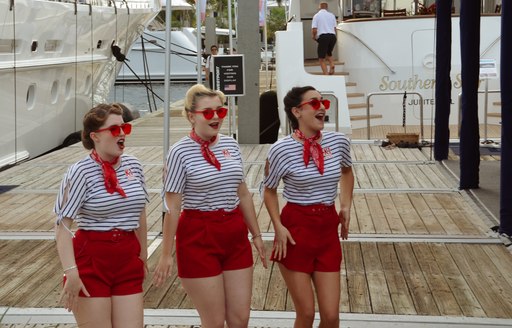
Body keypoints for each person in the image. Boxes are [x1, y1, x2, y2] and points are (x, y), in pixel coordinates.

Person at [153, 84, 267, 327]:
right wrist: (165, 254)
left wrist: (256, 235)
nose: (216, 117)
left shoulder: (230, 145)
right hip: (198, 235)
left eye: (220, 111)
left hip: (234, 233)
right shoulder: (179, 153)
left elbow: (243, 194)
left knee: (240, 319)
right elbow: (172, 206)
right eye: (208, 112)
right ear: (191, 116)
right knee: (214, 321)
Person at [263, 86, 354, 327]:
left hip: (327, 229)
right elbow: (269, 190)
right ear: (297, 112)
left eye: (323, 102)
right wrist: (278, 226)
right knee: (305, 314)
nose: (322, 107)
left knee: (332, 317)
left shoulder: (339, 142)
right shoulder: (280, 149)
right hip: (296, 230)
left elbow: (347, 171)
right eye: (314, 104)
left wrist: (345, 205)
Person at [54, 103, 149, 327]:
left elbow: (141, 214)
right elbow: (62, 226)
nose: (123, 133)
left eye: (124, 127)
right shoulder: (80, 171)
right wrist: (71, 272)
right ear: (95, 136)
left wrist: (142, 256)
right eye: (115, 129)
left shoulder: (134, 165)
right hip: (92, 259)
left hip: (127, 258)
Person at [312, 1, 337, 75]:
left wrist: (313, 36)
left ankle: (326, 74)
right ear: (327, 7)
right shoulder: (332, 15)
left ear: (319, 7)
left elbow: (314, 29)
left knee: (321, 59)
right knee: (328, 53)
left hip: (323, 37)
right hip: (333, 37)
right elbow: (335, 28)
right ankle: (332, 64)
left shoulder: (316, 16)